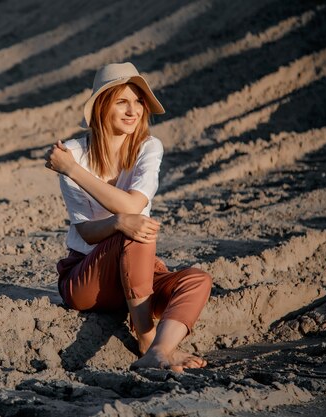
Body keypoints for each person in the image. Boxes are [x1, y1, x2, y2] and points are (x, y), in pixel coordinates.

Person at [44, 62, 212, 372]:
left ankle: (160, 350)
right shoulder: (74, 153)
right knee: (135, 230)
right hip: (86, 280)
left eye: (138, 102)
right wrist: (116, 222)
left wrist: (72, 171)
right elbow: (87, 234)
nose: (132, 110)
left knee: (197, 280)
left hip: (135, 274)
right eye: (122, 101)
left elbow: (133, 206)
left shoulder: (148, 148)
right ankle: (147, 340)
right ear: (102, 106)